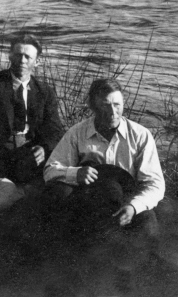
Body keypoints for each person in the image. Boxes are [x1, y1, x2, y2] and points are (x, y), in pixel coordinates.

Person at [42, 77, 164, 239]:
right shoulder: (77, 132)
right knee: (56, 198)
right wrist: (75, 173)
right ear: (92, 106)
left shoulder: (141, 136)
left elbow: (155, 184)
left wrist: (134, 206)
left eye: (117, 105)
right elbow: (50, 170)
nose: (113, 113)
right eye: (106, 105)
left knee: (147, 225)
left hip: (125, 201)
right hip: (87, 201)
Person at [0, 34, 64, 208]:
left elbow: (54, 130)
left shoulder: (44, 92)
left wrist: (45, 147)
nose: (22, 60)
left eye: (28, 57)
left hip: (29, 160)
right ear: (10, 56)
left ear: (37, 62)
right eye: (18, 55)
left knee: (55, 196)